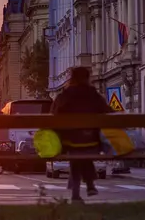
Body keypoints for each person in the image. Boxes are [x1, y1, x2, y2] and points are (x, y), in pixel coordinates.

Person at [50, 66, 113, 203]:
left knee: (77, 157)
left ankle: (76, 194)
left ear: (72, 78)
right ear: (87, 78)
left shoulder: (65, 95)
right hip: (92, 141)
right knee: (84, 155)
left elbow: (54, 113)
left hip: (69, 141)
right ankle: (89, 185)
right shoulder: (92, 94)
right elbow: (107, 111)